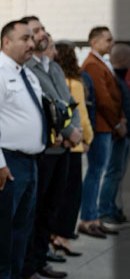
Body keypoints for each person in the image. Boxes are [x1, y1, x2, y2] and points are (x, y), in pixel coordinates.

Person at [0, 20, 48, 279]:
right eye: (24, 39)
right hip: (7, 161)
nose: (31, 44)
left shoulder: (26, 74)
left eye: (32, 38)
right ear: (6, 42)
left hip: (29, 161)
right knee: (2, 229)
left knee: (21, 227)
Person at [17, 17, 81, 279]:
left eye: (43, 30)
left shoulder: (52, 66)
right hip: (46, 149)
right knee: (35, 210)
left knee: (50, 209)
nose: (42, 34)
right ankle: (28, 267)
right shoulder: (28, 68)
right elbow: (50, 105)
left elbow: (68, 102)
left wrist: (74, 131)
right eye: (36, 31)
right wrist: (70, 133)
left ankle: (41, 260)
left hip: (62, 148)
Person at [79, 26, 125, 237]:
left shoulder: (100, 63)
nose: (111, 43)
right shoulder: (93, 65)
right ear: (94, 42)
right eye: (107, 40)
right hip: (101, 126)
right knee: (96, 172)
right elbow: (104, 100)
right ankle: (89, 217)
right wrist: (117, 123)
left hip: (106, 125)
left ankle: (94, 216)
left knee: (98, 172)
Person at [52, 40, 94, 256]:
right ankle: (63, 238)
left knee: (57, 195)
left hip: (59, 143)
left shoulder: (56, 82)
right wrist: (87, 138)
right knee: (71, 196)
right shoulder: (75, 84)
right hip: (74, 146)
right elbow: (82, 116)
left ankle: (54, 235)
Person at [99, 42, 130, 227]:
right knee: (112, 172)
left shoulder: (119, 78)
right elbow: (109, 105)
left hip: (124, 133)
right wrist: (119, 125)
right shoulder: (112, 78)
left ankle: (112, 208)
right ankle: (105, 210)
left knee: (117, 173)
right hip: (118, 133)